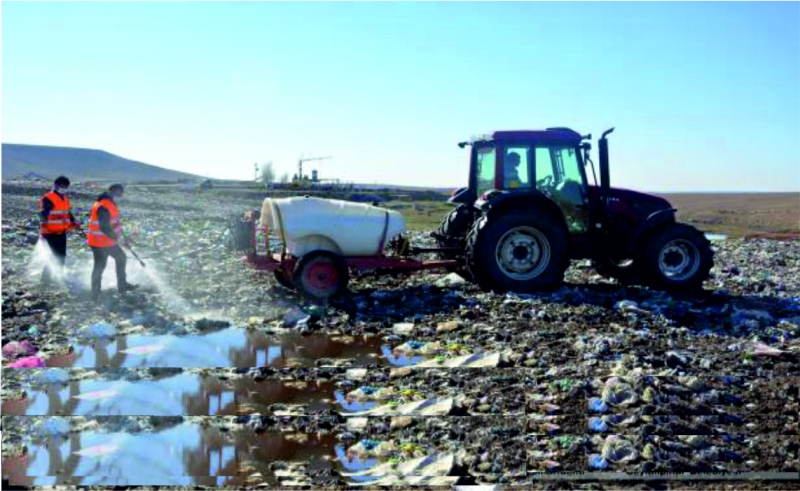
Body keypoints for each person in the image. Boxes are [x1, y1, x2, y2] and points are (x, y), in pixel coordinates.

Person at [87, 184, 138, 300]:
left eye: (122, 193)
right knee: (100, 266)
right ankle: (95, 293)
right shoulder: (103, 205)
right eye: (119, 192)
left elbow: (113, 224)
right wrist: (117, 239)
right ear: (113, 191)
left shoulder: (109, 203)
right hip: (99, 243)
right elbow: (104, 227)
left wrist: (121, 237)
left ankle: (122, 285)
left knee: (121, 258)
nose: (121, 195)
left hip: (108, 241)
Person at [39, 176, 82, 284]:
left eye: (66, 186)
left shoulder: (64, 198)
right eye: (62, 186)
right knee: (55, 255)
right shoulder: (49, 197)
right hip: (50, 232)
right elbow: (43, 214)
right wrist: (45, 226)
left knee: (61, 255)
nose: (64, 188)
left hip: (61, 231)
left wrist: (73, 222)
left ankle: (57, 276)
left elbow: (67, 212)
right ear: (56, 185)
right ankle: (46, 280)